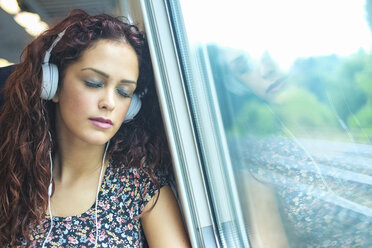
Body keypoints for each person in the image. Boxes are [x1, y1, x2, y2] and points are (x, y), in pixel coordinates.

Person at [0, 9, 190, 247]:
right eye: (94, 83)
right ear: (52, 85)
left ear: (132, 107)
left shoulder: (141, 189)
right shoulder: (13, 181)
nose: (109, 102)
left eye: (124, 92)